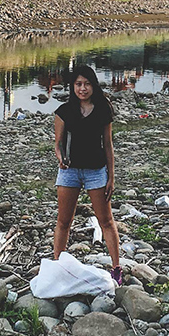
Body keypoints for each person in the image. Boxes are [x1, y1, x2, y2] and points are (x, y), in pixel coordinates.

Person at [51, 66, 122, 284]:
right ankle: (57, 266)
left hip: (96, 171)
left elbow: (108, 145)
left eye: (87, 84)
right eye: (79, 84)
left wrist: (111, 176)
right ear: (73, 87)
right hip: (69, 171)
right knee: (64, 221)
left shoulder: (102, 109)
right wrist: (60, 157)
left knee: (106, 220)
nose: (83, 89)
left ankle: (117, 268)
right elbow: (58, 143)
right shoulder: (64, 111)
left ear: (93, 85)